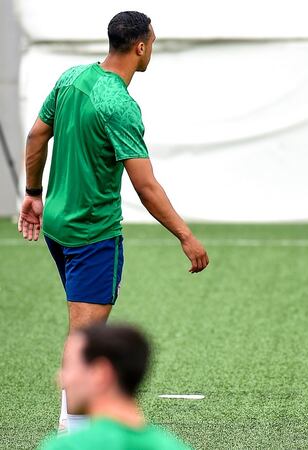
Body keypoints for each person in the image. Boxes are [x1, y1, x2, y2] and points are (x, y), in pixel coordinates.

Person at [17, 11, 209, 432]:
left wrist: (33, 194)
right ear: (141, 46)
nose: (151, 50)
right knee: (86, 340)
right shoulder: (120, 106)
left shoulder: (71, 78)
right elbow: (147, 187)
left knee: (81, 332)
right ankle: (75, 430)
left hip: (58, 228)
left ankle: (74, 421)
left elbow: (35, 137)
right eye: (152, 43)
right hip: (92, 235)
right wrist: (186, 235)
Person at [37, 323, 192, 450]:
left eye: (69, 367)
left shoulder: (66, 446)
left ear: (100, 373)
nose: (61, 379)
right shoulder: (174, 446)